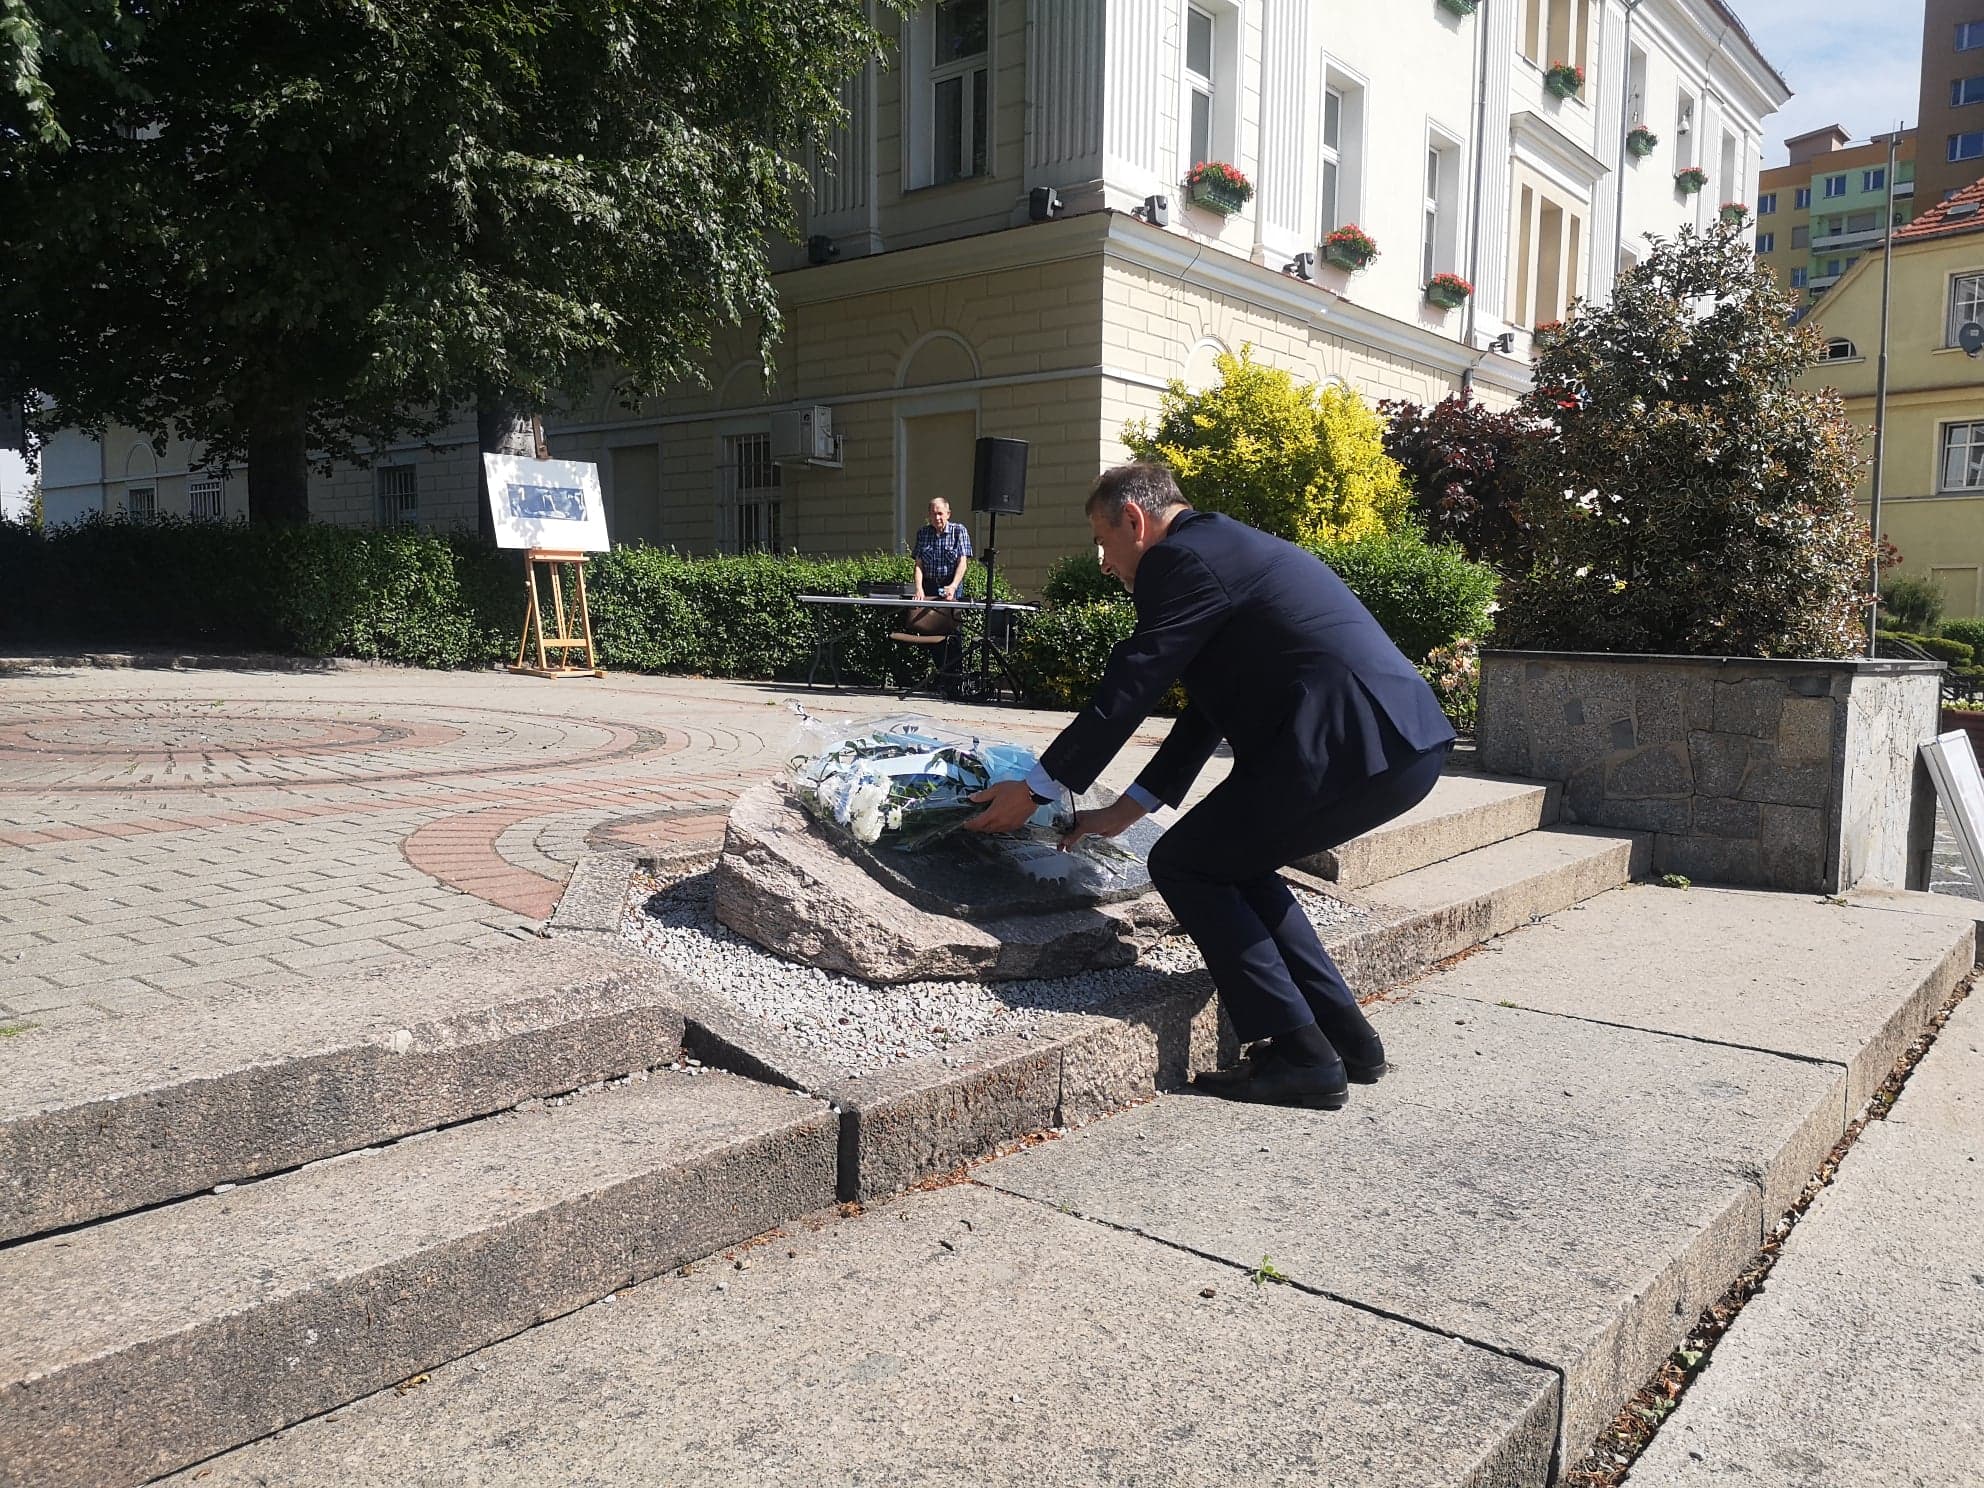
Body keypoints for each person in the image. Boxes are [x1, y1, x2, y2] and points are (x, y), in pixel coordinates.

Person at [963, 463, 1455, 1111]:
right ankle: (1347, 1039)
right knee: (1236, 865)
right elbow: (1205, 713)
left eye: (1103, 544)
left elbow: (1135, 679)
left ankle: (1300, 1057)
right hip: (1397, 743)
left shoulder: (1179, 561)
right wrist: (1125, 810)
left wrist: (1038, 787)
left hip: (1348, 746)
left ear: (1134, 521)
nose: (1106, 564)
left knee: (1185, 863)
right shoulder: (1224, 547)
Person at [906, 497, 973, 692]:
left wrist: (953, 586)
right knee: (931, 631)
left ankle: (956, 679)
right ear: (928, 515)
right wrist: (918, 588)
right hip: (930, 586)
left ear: (948, 514)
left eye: (940, 513)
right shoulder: (923, 533)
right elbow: (918, 564)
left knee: (953, 633)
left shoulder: (959, 531)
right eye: (933, 513)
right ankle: (942, 676)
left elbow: (963, 562)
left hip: (951, 585)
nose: (937, 517)